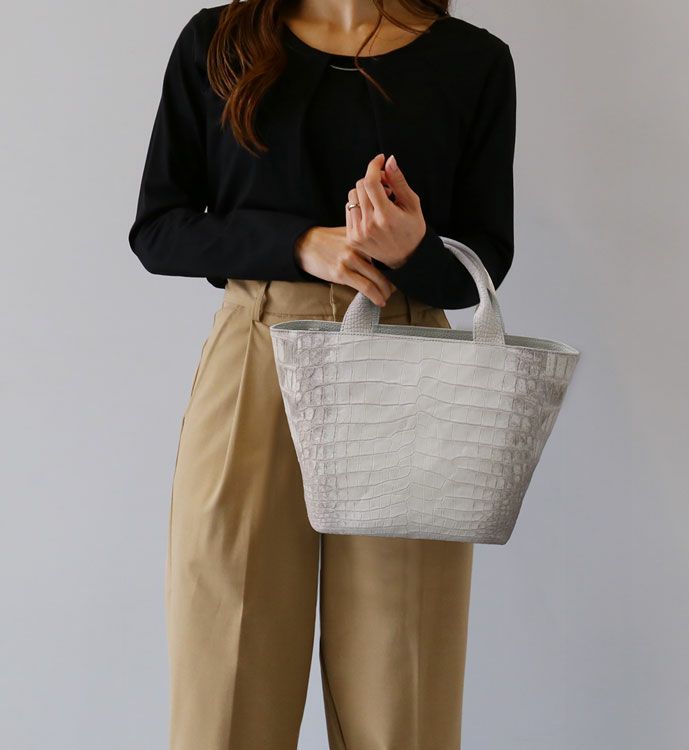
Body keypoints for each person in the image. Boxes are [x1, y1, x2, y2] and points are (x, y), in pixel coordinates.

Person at [127, 1, 516, 748]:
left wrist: (412, 250)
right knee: (227, 661)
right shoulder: (221, 40)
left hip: (407, 363)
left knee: (402, 679)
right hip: (257, 355)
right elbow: (160, 228)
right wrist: (300, 244)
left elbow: (485, 256)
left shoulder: (473, 60)